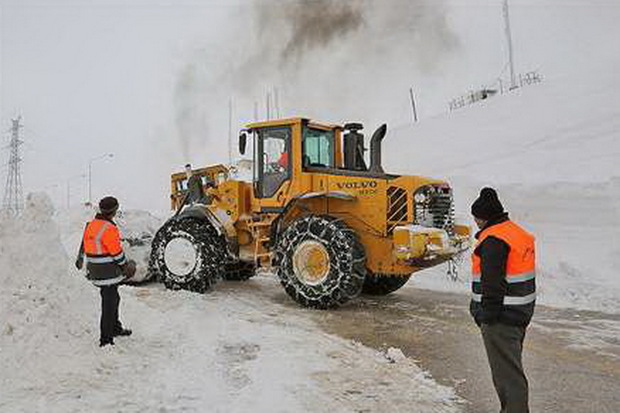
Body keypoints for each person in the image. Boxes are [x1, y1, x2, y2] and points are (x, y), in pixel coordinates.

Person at [470, 187, 536, 413]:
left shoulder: (494, 240)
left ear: (484, 217)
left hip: (501, 319)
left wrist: (485, 317)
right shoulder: (514, 232)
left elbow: (492, 285)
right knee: (511, 371)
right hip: (519, 313)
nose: (476, 223)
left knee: (508, 376)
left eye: (477, 218)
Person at [76, 196, 134, 347]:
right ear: (114, 211)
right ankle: (106, 339)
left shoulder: (93, 224)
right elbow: (116, 253)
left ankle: (115, 328)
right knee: (109, 304)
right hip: (107, 271)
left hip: (95, 270)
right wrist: (126, 266)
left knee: (113, 299)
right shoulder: (109, 228)